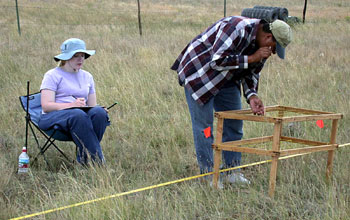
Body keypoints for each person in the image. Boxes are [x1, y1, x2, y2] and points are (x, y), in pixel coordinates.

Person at [171, 17, 292, 185]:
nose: (272, 53)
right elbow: (218, 60)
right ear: (268, 37)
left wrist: (252, 96)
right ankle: (207, 176)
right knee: (205, 129)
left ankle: (232, 172)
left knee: (234, 123)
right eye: (273, 48)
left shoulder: (262, 47)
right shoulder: (236, 28)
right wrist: (251, 58)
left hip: (226, 79)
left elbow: (252, 73)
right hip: (199, 75)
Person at [38, 38, 110, 165]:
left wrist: (100, 108)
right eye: (76, 56)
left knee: (99, 113)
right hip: (53, 117)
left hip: (79, 118)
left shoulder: (87, 76)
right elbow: (46, 106)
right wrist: (71, 105)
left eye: (83, 56)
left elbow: (92, 105)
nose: (80, 59)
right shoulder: (52, 75)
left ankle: (84, 161)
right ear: (66, 57)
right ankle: (99, 163)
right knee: (77, 114)